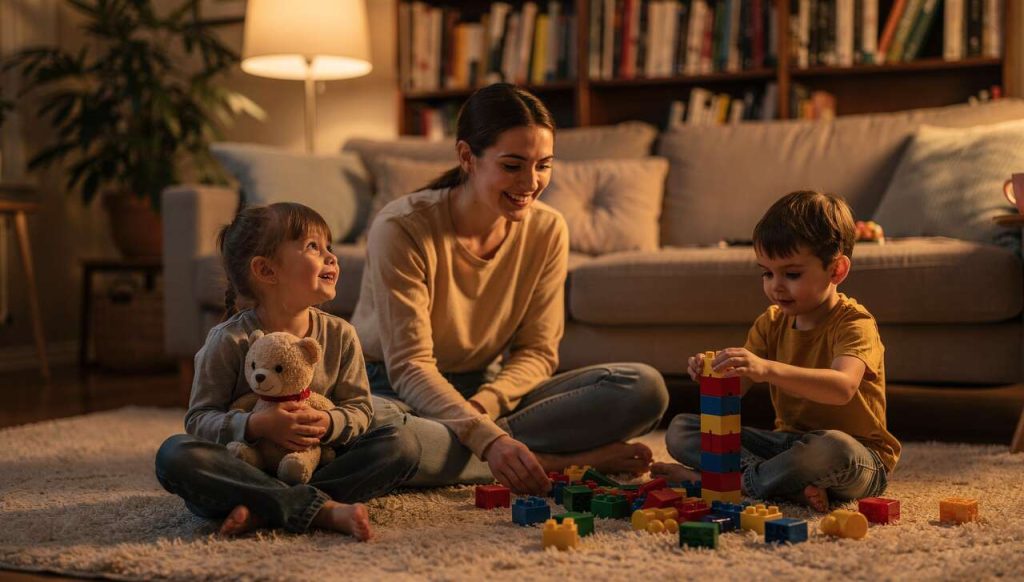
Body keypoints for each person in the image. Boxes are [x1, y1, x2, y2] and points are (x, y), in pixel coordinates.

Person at [351, 83, 669, 496]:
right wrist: (488, 440)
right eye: (513, 165)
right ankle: (553, 461)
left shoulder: (548, 228)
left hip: (486, 390)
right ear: (467, 157)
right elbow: (410, 367)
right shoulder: (402, 228)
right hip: (395, 389)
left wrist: (483, 411)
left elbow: (537, 351)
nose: (531, 183)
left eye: (544, 165)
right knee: (387, 440)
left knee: (642, 389)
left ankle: (476, 453)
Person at [155, 202, 420, 540]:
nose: (331, 257)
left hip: (314, 464)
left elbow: (360, 410)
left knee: (402, 445)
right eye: (313, 247)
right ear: (266, 271)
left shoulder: (340, 334)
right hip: (243, 465)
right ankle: (320, 509)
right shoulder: (228, 340)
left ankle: (265, 506)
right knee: (174, 455)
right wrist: (255, 424)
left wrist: (328, 423)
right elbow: (199, 420)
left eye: (328, 247)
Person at [652, 191, 901, 512]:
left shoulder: (854, 323)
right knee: (681, 429)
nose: (776, 286)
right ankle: (779, 483)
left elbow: (842, 388)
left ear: (836, 270)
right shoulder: (770, 322)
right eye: (767, 273)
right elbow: (737, 388)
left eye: (792, 274)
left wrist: (766, 368)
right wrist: (713, 373)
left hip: (860, 458)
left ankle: (730, 483)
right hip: (786, 448)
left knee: (834, 448)